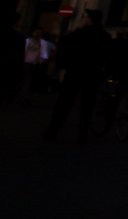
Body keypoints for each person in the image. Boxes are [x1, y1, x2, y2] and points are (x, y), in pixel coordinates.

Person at [43, 10, 112, 143]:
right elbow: (107, 55)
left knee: (64, 102)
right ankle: (82, 133)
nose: (83, 19)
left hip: (76, 72)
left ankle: (53, 129)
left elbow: (66, 50)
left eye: (85, 17)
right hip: (93, 73)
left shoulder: (79, 34)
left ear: (90, 19)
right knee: (88, 104)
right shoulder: (105, 36)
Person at [22, 28, 55, 105]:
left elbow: (43, 53)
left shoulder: (42, 43)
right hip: (27, 62)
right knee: (28, 78)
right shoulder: (28, 41)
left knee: (31, 79)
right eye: (37, 32)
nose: (38, 34)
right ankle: (26, 95)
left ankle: (27, 94)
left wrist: (42, 60)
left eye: (39, 33)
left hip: (36, 63)